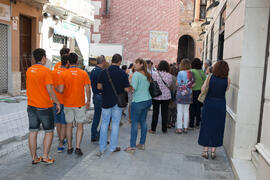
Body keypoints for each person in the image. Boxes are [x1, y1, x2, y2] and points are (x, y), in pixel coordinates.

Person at [26, 48, 60, 164]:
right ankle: (45, 157)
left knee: (33, 131)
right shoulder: (46, 71)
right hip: (45, 106)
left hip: (31, 106)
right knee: (49, 131)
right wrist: (57, 102)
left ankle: (34, 158)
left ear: (34, 58)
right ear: (43, 58)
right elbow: (50, 90)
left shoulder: (29, 70)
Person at [97, 54, 131, 156]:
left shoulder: (104, 71)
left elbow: (99, 87)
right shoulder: (122, 73)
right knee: (115, 124)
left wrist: (106, 89)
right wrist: (130, 88)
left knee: (104, 124)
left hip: (106, 101)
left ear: (112, 60)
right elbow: (126, 89)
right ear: (120, 61)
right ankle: (113, 147)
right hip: (118, 102)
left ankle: (102, 148)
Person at [58, 53, 91, 156]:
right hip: (79, 104)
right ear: (77, 61)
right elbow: (87, 89)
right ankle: (77, 147)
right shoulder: (83, 73)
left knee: (69, 125)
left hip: (67, 103)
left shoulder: (63, 74)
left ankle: (69, 147)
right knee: (80, 125)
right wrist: (88, 100)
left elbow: (61, 90)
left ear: (68, 62)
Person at [198, 60, 230, 159]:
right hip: (220, 104)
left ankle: (205, 151)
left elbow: (203, 90)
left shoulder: (210, 77)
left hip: (209, 103)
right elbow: (226, 90)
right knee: (217, 127)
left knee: (206, 125)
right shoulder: (228, 79)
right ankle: (213, 152)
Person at [125, 59, 152, 153]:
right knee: (143, 122)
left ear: (141, 64)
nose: (134, 65)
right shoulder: (147, 74)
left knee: (134, 124)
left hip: (138, 101)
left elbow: (132, 89)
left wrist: (127, 85)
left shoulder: (136, 74)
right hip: (147, 100)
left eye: (136, 63)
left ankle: (132, 146)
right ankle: (142, 144)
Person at [149, 60, 172, 134]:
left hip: (156, 95)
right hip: (166, 96)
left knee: (155, 112)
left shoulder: (154, 74)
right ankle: (164, 129)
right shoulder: (169, 75)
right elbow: (170, 85)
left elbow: (151, 82)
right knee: (164, 113)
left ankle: (153, 129)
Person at [52, 54, 69, 153]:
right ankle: (61, 143)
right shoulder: (67, 73)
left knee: (58, 122)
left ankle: (60, 140)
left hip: (54, 101)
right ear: (67, 62)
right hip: (64, 101)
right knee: (63, 123)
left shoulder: (53, 72)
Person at [89, 55, 106, 142]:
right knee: (106, 117)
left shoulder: (93, 71)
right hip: (101, 95)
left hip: (95, 95)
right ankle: (100, 135)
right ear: (103, 62)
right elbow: (101, 86)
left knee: (96, 116)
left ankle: (93, 135)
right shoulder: (101, 72)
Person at [175, 59, 195, 134]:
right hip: (189, 94)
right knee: (186, 111)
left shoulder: (180, 73)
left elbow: (177, 84)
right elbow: (193, 84)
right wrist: (188, 86)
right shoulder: (192, 73)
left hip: (180, 94)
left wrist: (182, 85)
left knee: (179, 111)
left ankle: (179, 128)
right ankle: (185, 128)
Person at [189, 58, 206, 129]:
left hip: (192, 92)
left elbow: (189, 82)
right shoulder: (202, 72)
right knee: (198, 108)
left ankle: (191, 124)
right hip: (200, 92)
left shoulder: (191, 71)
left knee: (192, 108)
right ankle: (197, 124)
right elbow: (205, 82)